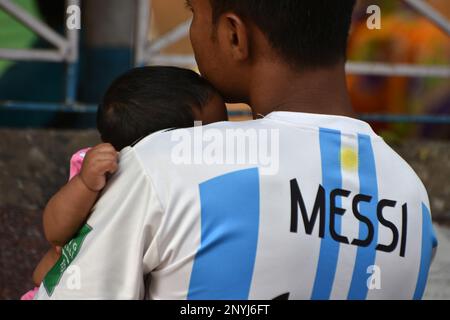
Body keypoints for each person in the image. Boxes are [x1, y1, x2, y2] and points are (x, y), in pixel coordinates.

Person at [36, 0, 437, 300]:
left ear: (234, 35)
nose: (193, 32)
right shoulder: (412, 201)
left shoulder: (167, 163)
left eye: (194, 13)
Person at [22, 66, 227, 299]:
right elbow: (55, 231)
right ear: (160, 148)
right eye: (211, 134)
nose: (226, 137)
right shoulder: (100, 172)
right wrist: (85, 184)